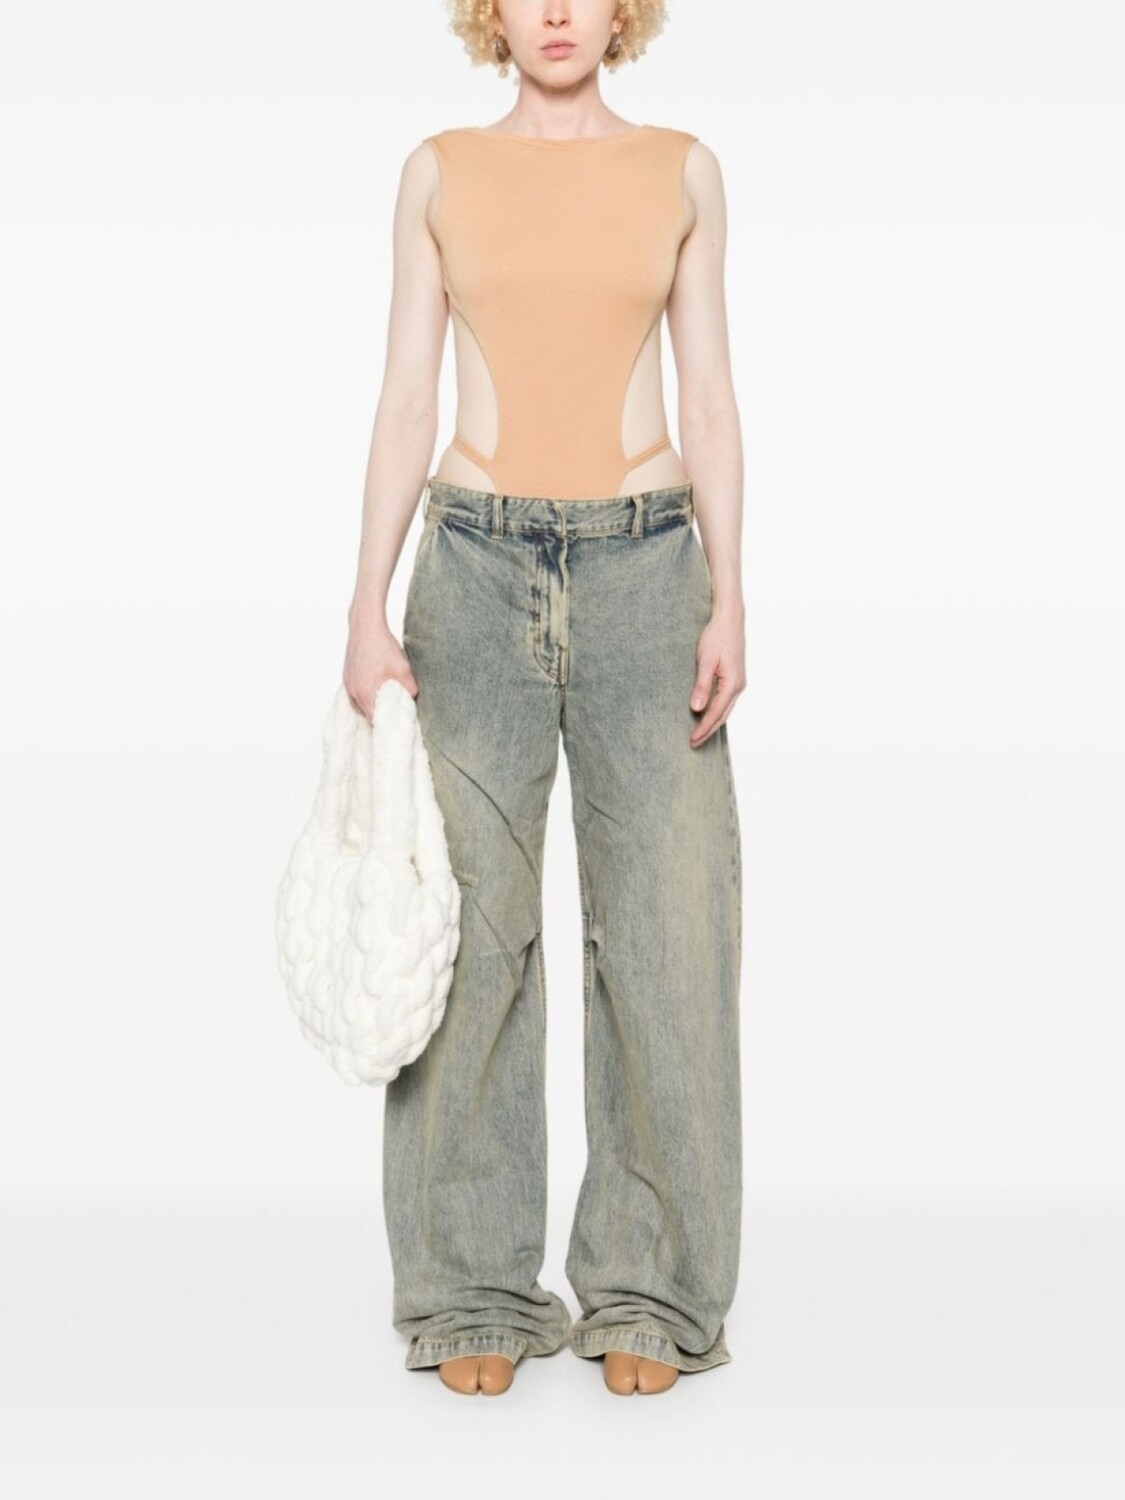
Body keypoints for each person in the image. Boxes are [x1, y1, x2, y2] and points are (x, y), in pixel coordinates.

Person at [344, 0, 746, 1399]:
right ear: (490, 12)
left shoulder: (683, 168)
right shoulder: (438, 170)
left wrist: (731, 597)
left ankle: (652, 1286)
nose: (557, 10)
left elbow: (709, 394)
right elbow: (407, 397)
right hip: (470, 570)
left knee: (667, 938)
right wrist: (364, 603)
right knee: (471, 943)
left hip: (648, 574)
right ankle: (469, 1291)